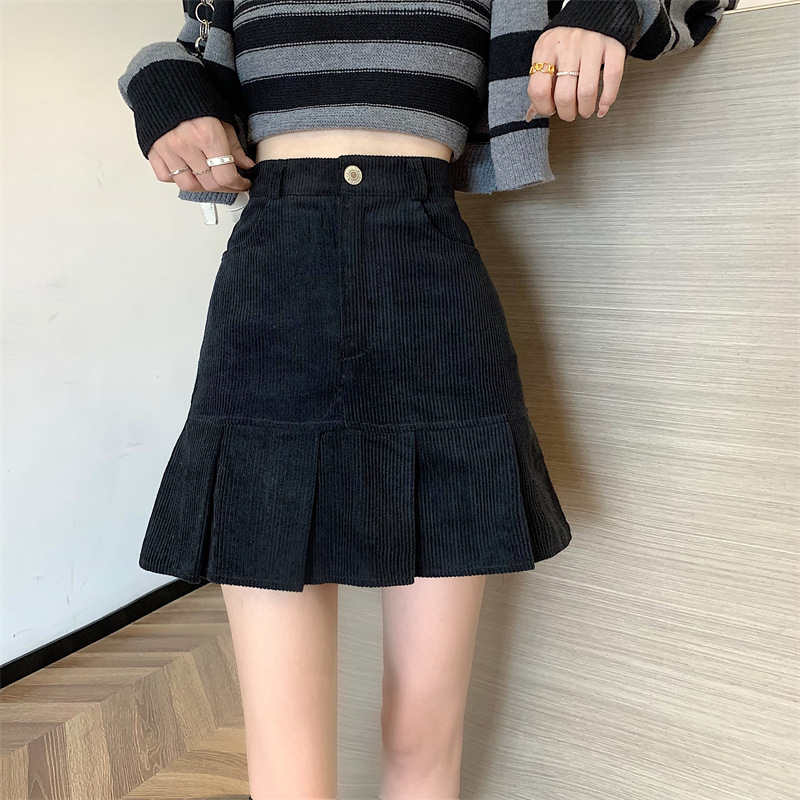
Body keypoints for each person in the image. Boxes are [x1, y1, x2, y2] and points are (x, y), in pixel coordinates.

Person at [118, 2, 735, 798]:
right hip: (272, 297)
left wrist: (600, 13)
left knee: (423, 731)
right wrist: (163, 94)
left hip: (432, 292)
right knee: (285, 748)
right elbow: (181, 56)